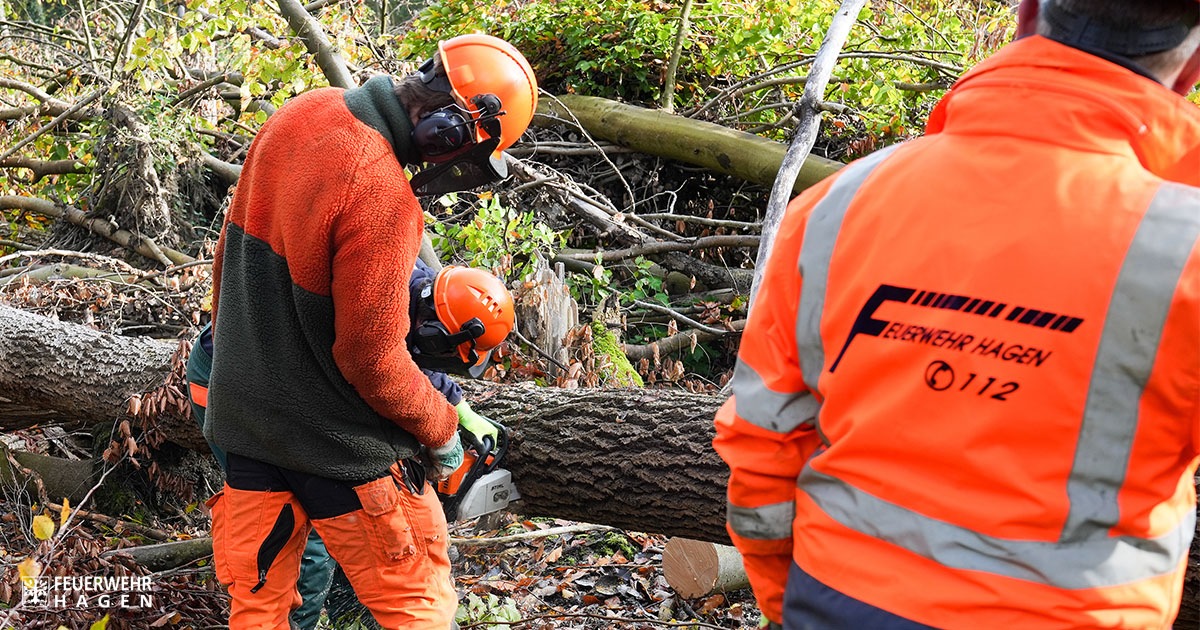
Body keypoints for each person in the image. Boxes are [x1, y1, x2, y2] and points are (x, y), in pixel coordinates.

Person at [713, 1, 1200, 628]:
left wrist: (795, 605)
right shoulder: (1186, 251)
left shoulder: (840, 204)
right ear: (1190, 71)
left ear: (1026, 18)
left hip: (838, 600)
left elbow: (762, 444)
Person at [202, 33, 536, 629]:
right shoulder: (381, 194)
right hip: (338, 450)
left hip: (246, 429)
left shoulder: (303, 110)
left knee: (258, 611)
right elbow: (371, 359)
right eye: (461, 152)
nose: (452, 166)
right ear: (449, 130)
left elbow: (228, 262)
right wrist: (440, 428)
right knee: (419, 607)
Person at [188, 260, 507, 629]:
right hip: (229, 379)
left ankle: (349, 608)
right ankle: (302, 622)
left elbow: (407, 345)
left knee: (327, 507)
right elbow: (378, 358)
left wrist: (457, 405)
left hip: (287, 368)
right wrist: (439, 430)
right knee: (291, 522)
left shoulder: (411, 283)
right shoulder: (370, 288)